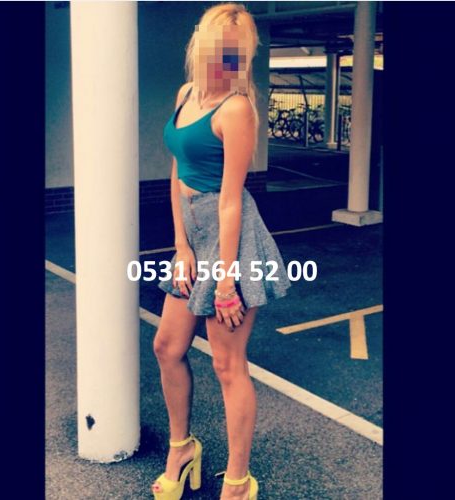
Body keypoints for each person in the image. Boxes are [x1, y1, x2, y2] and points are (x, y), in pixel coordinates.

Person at [152, 3, 291, 499]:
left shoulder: (237, 109)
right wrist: (181, 246)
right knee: (167, 347)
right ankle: (182, 449)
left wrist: (227, 278)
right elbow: (178, 171)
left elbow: (231, 200)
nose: (227, 60)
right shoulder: (186, 94)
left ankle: (237, 481)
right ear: (201, 47)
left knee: (227, 364)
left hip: (231, 238)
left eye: (237, 52)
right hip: (193, 235)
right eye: (221, 49)